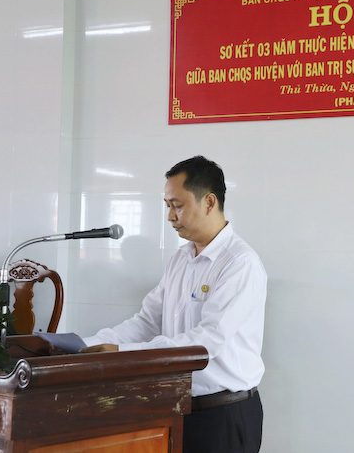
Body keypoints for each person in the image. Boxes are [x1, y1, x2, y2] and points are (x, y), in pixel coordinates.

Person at [82, 155, 267, 453]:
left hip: (223, 414)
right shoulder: (181, 259)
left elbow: (206, 341)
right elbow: (147, 322)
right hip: (175, 409)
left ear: (209, 202)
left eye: (177, 205)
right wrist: (83, 346)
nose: (170, 216)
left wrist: (122, 354)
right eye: (167, 206)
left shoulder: (239, 263)